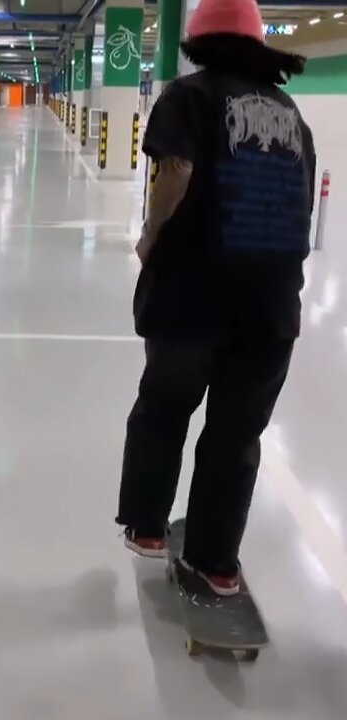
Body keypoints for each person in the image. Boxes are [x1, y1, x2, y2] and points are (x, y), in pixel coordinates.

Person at [115, 0, 316, 596]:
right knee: (235, 437)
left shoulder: (189, 96)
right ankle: (215, 562)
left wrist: (151, 237)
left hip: (191, 296)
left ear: (198, 43)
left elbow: (174, 169)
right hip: (271, 305)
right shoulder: (291, 112)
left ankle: (150, 530)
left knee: (164, 410)